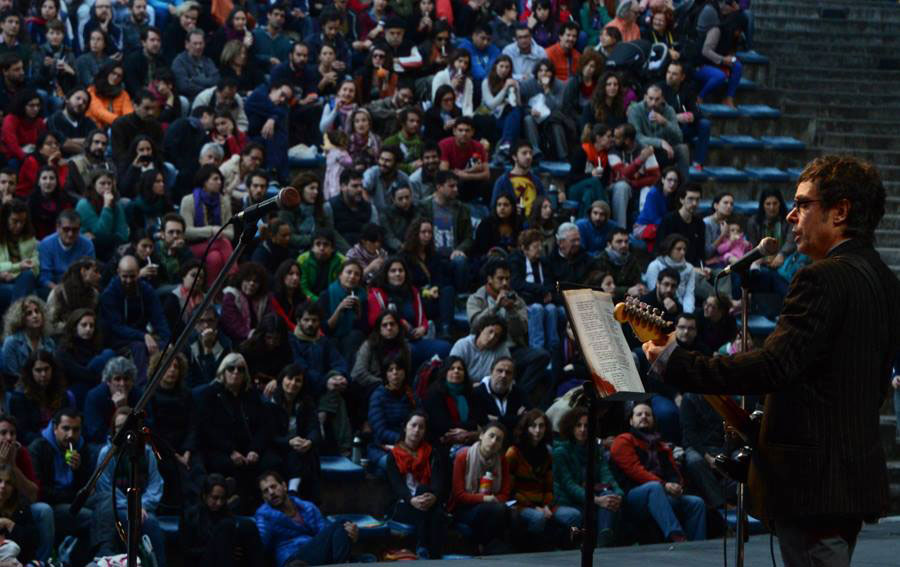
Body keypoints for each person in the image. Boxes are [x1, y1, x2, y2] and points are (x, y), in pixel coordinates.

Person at [644, 155, 900, 563]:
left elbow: (773, 366)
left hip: (811, 484)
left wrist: (679, 363)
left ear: (840, 212)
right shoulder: (885, 280)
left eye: (803, 204)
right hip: (850, 479)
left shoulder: (820, 278)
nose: (791, 216)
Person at [610, 402, 707, 542]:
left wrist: (676, 485)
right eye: (639, 414)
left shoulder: (661, 446)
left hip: (662, 493)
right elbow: (635, 471)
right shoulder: (623, 440)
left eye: (648, 414)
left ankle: (698, 545)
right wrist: (665, 485)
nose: (644, 416)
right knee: (654, 487)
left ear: (654, 420)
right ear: (631, 421)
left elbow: (673, 472)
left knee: (696, 502)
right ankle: (677, 536)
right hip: (632, 495)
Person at [196, 353, 273, 513]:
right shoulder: (210, 394)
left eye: (241, 369)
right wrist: (230, 451)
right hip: (220, 448)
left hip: (249, 448)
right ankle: (232, 504)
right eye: (231, 368)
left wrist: (255, 450)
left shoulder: (252, 395)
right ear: (223, 371)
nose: (236, 372)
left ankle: (266, 505)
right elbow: (207, 429)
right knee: (228, 465)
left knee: (271, 462)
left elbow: (264, 427)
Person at [468, 258, 550, 403]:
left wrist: (511, 311)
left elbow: (522, 330)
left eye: (507, 278)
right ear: (489, 279)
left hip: (512, 350)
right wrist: (496, 307)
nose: (505, 283)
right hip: (488, 349)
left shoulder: (516, 300)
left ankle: (518, 395)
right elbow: (475, 326)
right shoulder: (476, 299)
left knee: (542, 356)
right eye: (500, 278)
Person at [505, 408, 580, 547]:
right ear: (526, 428)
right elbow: (510, 490)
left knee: (574, 515)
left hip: (542, 503)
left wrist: (546, 505)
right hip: (520, 504)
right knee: (538, 518)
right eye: (533, 426)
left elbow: (549, 486)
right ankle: (535, 551)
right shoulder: (513, 453)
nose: (537, 430)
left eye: (541, 426)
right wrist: (534, 506)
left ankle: (569, 550)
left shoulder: (547, 453)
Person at [552, 406, 623, 546]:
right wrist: (596, 500)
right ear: (571, 427)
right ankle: (603, 541)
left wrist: (619, 494)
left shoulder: (595, 450)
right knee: (604, 502)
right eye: (578, 425)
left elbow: (606, 475)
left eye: (586, 426)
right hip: (570, 500)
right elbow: (569, 486)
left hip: (592, 496)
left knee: (610, 496)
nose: (583, 429)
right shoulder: (561, 451)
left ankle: (603, 538)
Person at [255, 470, 358, 567]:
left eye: (273, 486)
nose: (271, 492)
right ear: (264, 498)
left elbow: (324, 533)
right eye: (266, 491)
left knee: (345, 525)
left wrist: (349, 534)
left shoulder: (308, 507)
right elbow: (259, 542)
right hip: (291, 559)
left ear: (284, 486)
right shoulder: (264, 516)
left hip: (314, 553)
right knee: (341, 523)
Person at [367, 256, 450, 370]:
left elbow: (422, 318)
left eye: (401, 270)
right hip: (390, 343)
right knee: (410, 351)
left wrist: (423, 328)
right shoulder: (376, 293)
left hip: (413, 339)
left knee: (446, 348)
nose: (398, 274)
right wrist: (400, 323)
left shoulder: (413, 291)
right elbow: (374, 321)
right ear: (386, 274)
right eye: (393, 271)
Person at [386, 411, 448, 559]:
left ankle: (427, 552)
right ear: (405, 427)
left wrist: (434, 496)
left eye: (421, 427)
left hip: (428, 500)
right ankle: (428, 551)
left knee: (431, 503)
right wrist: (411, 499)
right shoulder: (394, 455)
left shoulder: (431, 453)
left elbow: (438, 481)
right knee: (435, 512)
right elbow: (397, 485)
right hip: (404, 504)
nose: (417, 430)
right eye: (413, 425)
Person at [99, 255, 170, 377]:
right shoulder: (109, 294)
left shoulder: (146, 290)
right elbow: (116, 326)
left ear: (138, 273)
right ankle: (143, 385)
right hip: (118, 338)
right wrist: (143, 336)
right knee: (139, 348)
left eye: (132, 276)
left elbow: (159, 318)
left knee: (167, 347)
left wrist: (168, 340)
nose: (128, 280)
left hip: (142, 335)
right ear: (118, 272)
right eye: (124, 276)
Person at [145, 352, 203, 500]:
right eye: (168, 366)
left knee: (197, 469)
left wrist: (187, 451)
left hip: (186, 447)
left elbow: (193, 425)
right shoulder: (150, 395)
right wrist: (175, 455)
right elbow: (153, 430)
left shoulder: (186, 394)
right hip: (163, 449)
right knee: (178, 472)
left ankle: (211, 498)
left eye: (176, 367)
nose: (172, 370)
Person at [448, 420, 511, 554]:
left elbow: (505, 494)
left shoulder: (502, 461)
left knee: (510, 513)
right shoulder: (463, 457)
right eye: (491, 436)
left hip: (491, 504)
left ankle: (491, 547)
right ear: (481, 435)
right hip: (464, 508)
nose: (493, 442)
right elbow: (458, 495)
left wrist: (492, 499)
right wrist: (485, 498)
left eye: (498, 440)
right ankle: (485, 546)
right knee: (496, 509)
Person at [182, 473, 266, 566]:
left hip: (227, 559)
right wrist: (219, 547)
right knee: (226, 526)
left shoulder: (226, 513)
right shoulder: (191, 515)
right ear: (205, 496)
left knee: (248, 525)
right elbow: (187, 552)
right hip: (202, 560)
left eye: (223, 498)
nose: (219, 503)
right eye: (215, 498)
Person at [267, 363, 322, 503]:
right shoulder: (271, 402)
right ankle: (290, 493)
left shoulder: (307, 402)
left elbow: (314, 429)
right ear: (282, 379)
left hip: (300, 446)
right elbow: (269, 434)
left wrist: (309, 441)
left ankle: (306, 500)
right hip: (277, 446)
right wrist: (289, 441)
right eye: (289, 378)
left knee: (308, 455)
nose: (293, 383)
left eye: (298, 380)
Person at [180, 164, 235, 283]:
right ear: (204, 181)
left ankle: (210, 290)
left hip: (215, 247)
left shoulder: (224, 201)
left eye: (220, 179)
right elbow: (186, 232)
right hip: (193, 246)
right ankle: (233, 275)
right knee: (223, 242)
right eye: (215, 179)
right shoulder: (188, 201)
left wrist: (218, 233)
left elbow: (231, 233)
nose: (219, 182)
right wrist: (211, 230)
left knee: (214, 257)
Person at [8, 350, 74, 445]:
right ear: (31, 372)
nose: (43, 374)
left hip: (63, 440)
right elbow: (23, 433)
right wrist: (49, 440)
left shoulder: (61, 394)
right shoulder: (19, 398)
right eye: (38, 370)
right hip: (36, 444)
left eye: (46, 369)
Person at [627, 84, 688, 182]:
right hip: (643, 150)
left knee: (682, 149)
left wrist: (665, 122)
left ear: (662, 99)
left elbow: (679, 137)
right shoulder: (635, 110)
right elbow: (637, 136)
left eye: (657, 99)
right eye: (650, 98)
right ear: (645, 97)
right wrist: (660, 142)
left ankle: (684, 185)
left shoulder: (669, 110)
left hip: (663, 152)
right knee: (643, 148)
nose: (653, 103)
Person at [607, 123, 660, 228]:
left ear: (627, 140)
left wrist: (634, 183)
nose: (613, 140)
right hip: (616, 187)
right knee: (622, 186)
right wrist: (640, 160)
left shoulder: (644, 150)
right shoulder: (613, 150)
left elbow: (656, 177)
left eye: (617, 137)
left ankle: (643, 229)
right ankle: (620, 229)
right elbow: (622, 174)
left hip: (637, 185)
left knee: (649, 189)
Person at [695, 0, 743, 107]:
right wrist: (723, 59)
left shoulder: (733, 37)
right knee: (720, 76)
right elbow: (705, 51)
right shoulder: (717, 30)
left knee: (737, 66)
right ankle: (700, 97)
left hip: (717, 62)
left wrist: (730, 57)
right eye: (739, 30)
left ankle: (729, 97)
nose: (739, 33)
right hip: (702, 63)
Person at [662, 61, 709, 172]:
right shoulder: (660, 89)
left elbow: (697, 110)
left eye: (674, 74)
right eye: (668, 72)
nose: (670, 76)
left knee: (704, 124)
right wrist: (676, 117)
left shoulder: (687, 89)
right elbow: (655, 115)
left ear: (682, 77)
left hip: (683, 128)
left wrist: (692, 115)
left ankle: (698, 162)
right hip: (666, 129)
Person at [83, 356, 141, 445]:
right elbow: (95, 432)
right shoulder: (95, 397)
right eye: (117, 379)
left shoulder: (138, 394)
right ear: (108, 381)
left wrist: (125, 409)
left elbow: (148, 423)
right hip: (104, 443)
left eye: (126, 379)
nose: (122, 384)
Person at [75, 170, 130, 260]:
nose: (107, 187)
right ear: (94, 185)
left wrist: (115, 238)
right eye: (102, 183)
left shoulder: (116, 203)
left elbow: (123, 232)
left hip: (111, 243)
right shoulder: (84, 204)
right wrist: (107, 206)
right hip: (90, 246)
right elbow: (101, 231)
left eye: (109, 183)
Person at [1, 295, 55, 380]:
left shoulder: (49, 342)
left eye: (37, 311)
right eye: (29, 313)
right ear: (21, 318)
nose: (35, 315)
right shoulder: (11, 342)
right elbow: (12, 376)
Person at [437, 116, 489, 202]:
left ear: (472, 132)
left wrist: (467, 176)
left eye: (467, 130)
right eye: (460, 130)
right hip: (451, 185)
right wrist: (469, 171)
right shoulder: (444, 145)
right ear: (454, 131)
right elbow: (444, 173)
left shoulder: (479, 147)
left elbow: (486, 174)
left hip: (470, 185)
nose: (464, 133)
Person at [326, 169, 379, 252]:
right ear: (343, 186)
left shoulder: (370, 208)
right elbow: (329, 235)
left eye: (361, 186)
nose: (360, 189)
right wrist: (351, 253)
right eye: (355, 186)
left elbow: (375, 235)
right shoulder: (330, 207)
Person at [645, 234, 698, 315]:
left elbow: (689, 294)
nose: (683, 252)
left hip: (681, 307)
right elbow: (655, 291)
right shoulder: (655, 266)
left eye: (684, 249)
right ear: (669, 249)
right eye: (678, 249)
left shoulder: (689, 268)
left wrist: (687, 314)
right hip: (659, 306)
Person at [471, 357, 528, 431]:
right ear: (491, 372)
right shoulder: (477, 392)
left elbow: (527, 418)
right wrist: (515, 418)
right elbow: (481, 421)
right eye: (500, 371)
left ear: (513, 377)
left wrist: (497, 419)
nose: (503, 375)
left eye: (508, 372)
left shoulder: (519, 393)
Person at [0, 199, 39, 309]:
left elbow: (35, 267)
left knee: (28, 276)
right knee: (29, 296)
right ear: (5, 219)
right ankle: (18, 313)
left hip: (22, 281)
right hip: (2, 282)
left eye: (22, 221)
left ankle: (15, 314)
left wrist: (14, 275)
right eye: (15, 221)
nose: (19, 225)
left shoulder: (29, 238)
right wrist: (17, 267)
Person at [656, 183, 706, 267]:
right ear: (681, 200)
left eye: (697, 199)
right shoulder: (669, 220)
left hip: (694, 268)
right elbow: (661, 250)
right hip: (671, 266)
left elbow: (701, 253)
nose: (694, 203)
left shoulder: (700, 223)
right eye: (690, 199)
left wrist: (702, 268)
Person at [221, 261, 271, 344]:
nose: (251, 283)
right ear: (241, 279)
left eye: (256, 281)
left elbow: (268, 320)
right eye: (248, 280)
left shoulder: (264, 298)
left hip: (259, 339)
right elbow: (233, 326)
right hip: (236, 341)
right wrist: (252, 335)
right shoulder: (231, 296)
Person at [450, 315, 511, 382]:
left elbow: (507, 372)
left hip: (488, 387)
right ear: (481, 329)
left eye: (496, 336)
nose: (492, 337)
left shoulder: (501, 348)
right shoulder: (463, 345)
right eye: (490, 331)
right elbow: (451, 372)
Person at [595, 228, 645, 301]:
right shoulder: (600, 260)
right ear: (609, 244)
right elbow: (603, 288)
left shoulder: (632, 259)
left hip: (629, 301)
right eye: (619, 242)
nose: (624, 245)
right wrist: (627, 290)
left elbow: (638, 281)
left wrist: (640, 288)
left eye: (626, 241)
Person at [172, 29, 220, 99]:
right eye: (195, 43)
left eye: (201, 43)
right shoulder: (179, 62)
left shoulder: (207, 61)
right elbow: (184, 86)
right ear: (187, 44)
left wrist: (194, 80)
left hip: (210, 97)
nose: (198, 47)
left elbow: (216, 80)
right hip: (190, 98)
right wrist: (207, 90)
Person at [85, 62, 134, 129]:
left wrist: (126, 123)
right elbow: (98, 111)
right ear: (106, 72)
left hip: (117, 129)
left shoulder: (123, 94)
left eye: (119, 76)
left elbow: (128, 114)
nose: (115, 77)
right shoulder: (92, 90)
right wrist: (122, 123)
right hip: (95, 128)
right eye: (113, 73)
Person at [472, 193, 521, 258]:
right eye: (499, 205)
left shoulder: (518, 223)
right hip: (489, 260)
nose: (502, 208)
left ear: (513, 208)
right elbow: (480, 250)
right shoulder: (486, 224)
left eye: (506, 205)